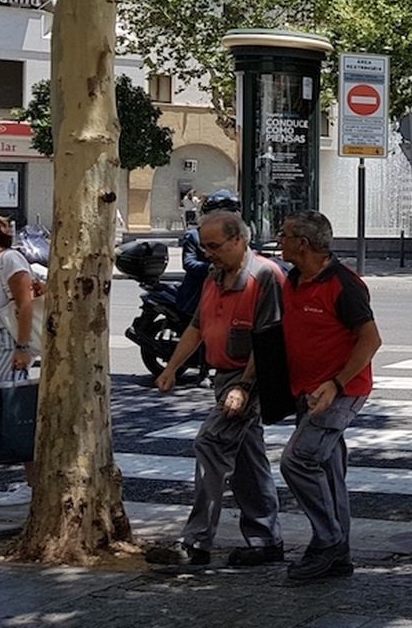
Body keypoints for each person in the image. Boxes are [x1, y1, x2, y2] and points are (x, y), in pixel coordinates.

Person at [145, 210, 287, 568]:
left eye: (214, 245)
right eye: (204, 245)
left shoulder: (264, 276)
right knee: (246, 460)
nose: (207, 252)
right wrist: (172, 368)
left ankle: (196, 543)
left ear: (239, 240)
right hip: (226, 378)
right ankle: (266, 540)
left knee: (210, 443)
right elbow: (197, 326)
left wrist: (243, 386)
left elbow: (268, 341)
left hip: (250, 380)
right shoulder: (215, 275)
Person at [278, 210, 383, 583]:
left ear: (303, 244)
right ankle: (340, 555)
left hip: (340, 392)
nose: (279, 239)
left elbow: (371, 340)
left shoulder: (344, 284)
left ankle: (327, 543)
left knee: (298, 461)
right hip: (307, 393)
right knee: (327, 469)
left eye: (285, 234)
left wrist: (335, 384)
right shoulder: (292, 279)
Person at [0, 214, 37, 508]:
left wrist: (22, 346)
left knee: (12, 414)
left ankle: (34, 485)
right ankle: (33, 484)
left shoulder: (9, 260)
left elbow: (26, 303)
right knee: (12, 416)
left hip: (4, 345)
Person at [178, 190, 242, 321]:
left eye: (231, 213)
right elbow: (188, 262)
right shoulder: (194, 235)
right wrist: (212, 268)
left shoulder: (239, 236)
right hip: (198, 295)